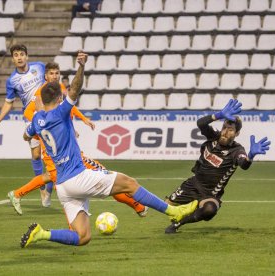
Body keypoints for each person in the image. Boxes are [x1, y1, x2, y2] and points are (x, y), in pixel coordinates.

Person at [20, 51, 198, 247]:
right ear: (59, 98)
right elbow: (75, 89)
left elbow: (26, 136)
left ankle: (42, 234)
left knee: (82, 236)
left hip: (62, 186)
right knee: (129, 183)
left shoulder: (37, 120)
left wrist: (38, 112)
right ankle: (173, 211)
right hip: (77, 177)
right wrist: (81, 66)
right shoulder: (61, 112)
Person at [8, 62, 148, 217]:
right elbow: (28, 112)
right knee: (101, 175)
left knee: (51, 176)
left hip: (62, 145)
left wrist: (82, 119)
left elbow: (68, 106)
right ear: (45, 76)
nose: (55, 76)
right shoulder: (42, 93)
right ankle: (138, 206)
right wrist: (43, 125)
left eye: (57, 73)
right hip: (54, 147)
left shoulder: (58, 89)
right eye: (51, 73)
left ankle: (18, 194)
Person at [164, 99, 271, 234]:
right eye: (224, 128)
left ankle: (179, 222)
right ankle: (151, 205)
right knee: (166, 206)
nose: (226, 132)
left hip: (210, 193)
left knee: (209, 210)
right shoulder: (213, 137)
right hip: (193, 183)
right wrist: (218, 115)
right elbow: (200, 123)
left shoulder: (237, 150)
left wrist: (250, 156)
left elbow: (243, 164)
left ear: (237, 133)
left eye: (230, 129)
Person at [0, 44, 46, 190]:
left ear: (26, 56)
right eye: (16, 55)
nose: (19, 57)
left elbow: (52, 82)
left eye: (21, 54)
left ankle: (57, 182)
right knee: (36, 154)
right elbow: (9, 103)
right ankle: (41, 186)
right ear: (13, 59)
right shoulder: (12, 80)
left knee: (53, 151)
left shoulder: (40, 67)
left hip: (48, 114)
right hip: (30, 117)